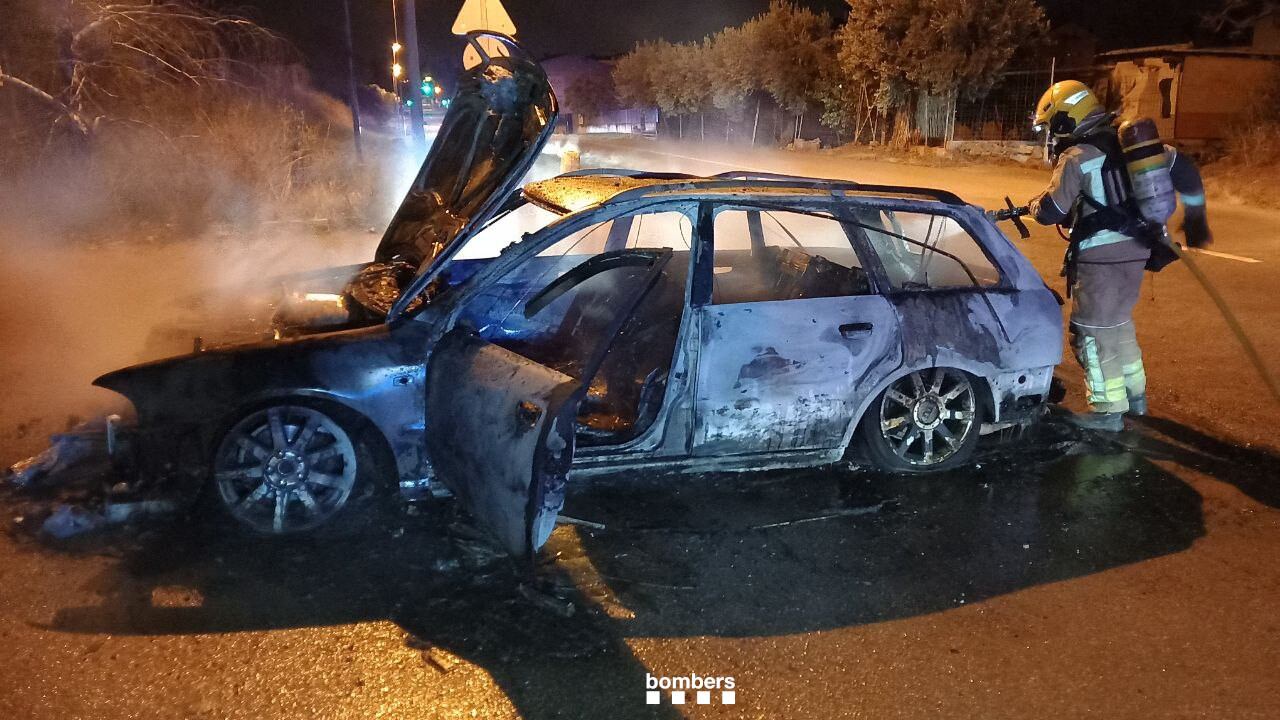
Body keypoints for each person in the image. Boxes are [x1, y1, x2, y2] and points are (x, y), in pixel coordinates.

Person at [1028, 80, 1213, 431]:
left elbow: (1051, 211)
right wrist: (1196, 217)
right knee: (1118, 324)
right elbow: (1185, 168)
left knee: (1091, 333)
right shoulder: (1132, 146)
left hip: (1100, 259)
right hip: (1136, 252)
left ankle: (1108, 411)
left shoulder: (1077, 157)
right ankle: (1135, 398)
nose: (1053, 133)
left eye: (1054, 124)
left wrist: (1036, 205)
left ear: (1067, 119)